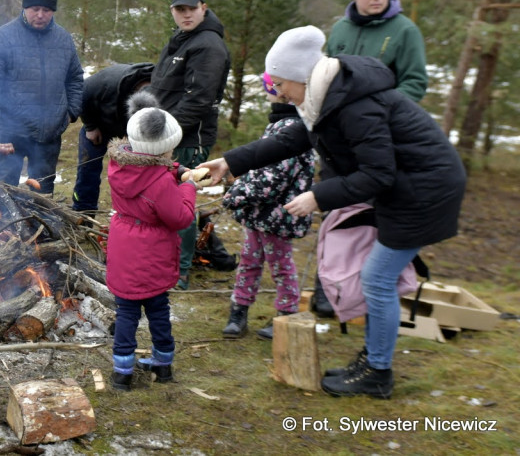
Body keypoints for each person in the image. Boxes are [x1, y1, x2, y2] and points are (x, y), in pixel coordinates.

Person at [198, 26, 465, 399]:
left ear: (301, 76)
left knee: (377, 279)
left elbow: (378, 173)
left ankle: (377, 371)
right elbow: (291, 139)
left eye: (281, 83)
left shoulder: (354, 105)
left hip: (424, 193)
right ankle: (374, 360)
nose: (278, 91)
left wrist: (317, 197)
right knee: (377, 279)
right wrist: (230, 161)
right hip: (406, 189)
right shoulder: (326, 98)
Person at [312, 0, 429, 316]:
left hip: (380, 138)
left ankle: (369, 289)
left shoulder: (405, 31)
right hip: (339, 138)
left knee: (373, 213)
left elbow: (415, 82)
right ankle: (327, 288)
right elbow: (325, 74)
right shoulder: (342, 29)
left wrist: (380, 112)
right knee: (333, 205)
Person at [105, 92, 197, 391]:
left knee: (126, 312)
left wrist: (174, 171)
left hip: (123, 244)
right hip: (152, 252)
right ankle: (163, 366)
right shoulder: (159, 181)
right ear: (163, 149)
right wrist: (188, 187)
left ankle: (122, 372)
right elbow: (180, 218)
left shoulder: (119, 165)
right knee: (157, 310)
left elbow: (149, 170)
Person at [220, 73, 315, 341]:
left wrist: (236, 194)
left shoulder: (294, 127)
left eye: (271, 85)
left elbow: (272, 176)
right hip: (258, 214)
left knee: (281, 265)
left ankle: (286, 314)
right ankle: (238, 310)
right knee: (249, 262)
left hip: (279, 215)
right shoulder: (278, 123)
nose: (268, 90)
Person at [148, 0, 231, 288]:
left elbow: (198, 100)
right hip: (168, 134)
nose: (185, 14)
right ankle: (195, 257)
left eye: (191, 8)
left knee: (179, 204)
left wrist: (164, 133)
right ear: (172, 11)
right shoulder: (182, 40)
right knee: (166, 200)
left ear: (203, 8)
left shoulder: (207, 45)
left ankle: (179, 272)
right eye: (179, 9)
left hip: (187, 138)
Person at [0, 0, 83, 194]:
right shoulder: (3, 37)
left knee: (42, 190)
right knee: (5, 188)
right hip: (11, 128)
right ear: (25, 8)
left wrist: (71, 112)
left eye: (47, 10)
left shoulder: (63, 40)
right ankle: (4, 225)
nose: (41, 15)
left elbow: (75, 78)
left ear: (52, 11)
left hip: (49, 130)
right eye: (35, 9)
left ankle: (39, 226)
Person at [327, 0, 427, 102]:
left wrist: (381, 108)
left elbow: (415, 83)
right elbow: (327, 75)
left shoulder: (406, 30)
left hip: (383, 118)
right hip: (338, 116)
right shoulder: (339, 29)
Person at [71, 62, 154, 216]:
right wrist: (90, 126)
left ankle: (129, 215)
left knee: (133, 173)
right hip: (98, 126)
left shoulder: (164, 87)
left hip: (130, 132)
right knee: (88, 170)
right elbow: (80, 94)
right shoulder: (107, 81)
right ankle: (83, 213)